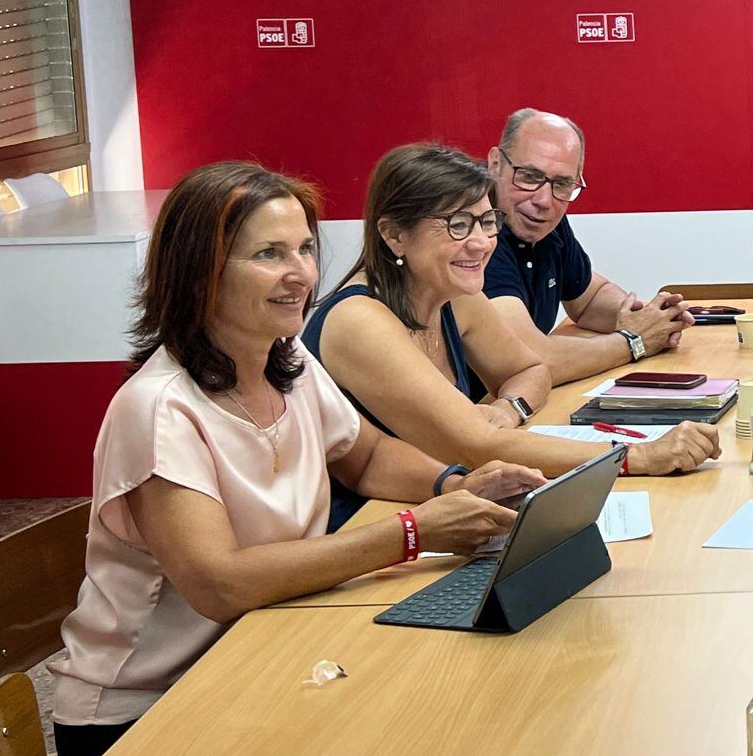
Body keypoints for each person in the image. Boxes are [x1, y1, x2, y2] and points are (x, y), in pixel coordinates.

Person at [47, 162, 545, 756]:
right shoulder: (159, 409)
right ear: (201, 272)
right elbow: (219, 585)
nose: (302, 274)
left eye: (307, 249)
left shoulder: (289, 360)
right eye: (269, 254)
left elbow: (365, 456)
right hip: (149, 713)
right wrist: (414, 532)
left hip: (265, 650)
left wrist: (453, 486)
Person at [304, 143, 716, 528]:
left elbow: (530, 368)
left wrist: (508, 409)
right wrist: (638, 455)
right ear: (394, 234)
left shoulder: (450, 291)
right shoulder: (358, 318)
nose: (481, 243)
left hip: (452, 504)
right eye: (457, 225)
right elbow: (476, 445)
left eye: (487, 221)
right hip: (378, 525)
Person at [482, 108, 694, 384]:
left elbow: (590, 299)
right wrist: (633, 341)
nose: (544, 200)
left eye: (562, 184)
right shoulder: (474, 232)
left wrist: (650, 320)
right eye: (530, 177)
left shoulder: (545, 222)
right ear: (495, 163)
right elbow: (527, 359)